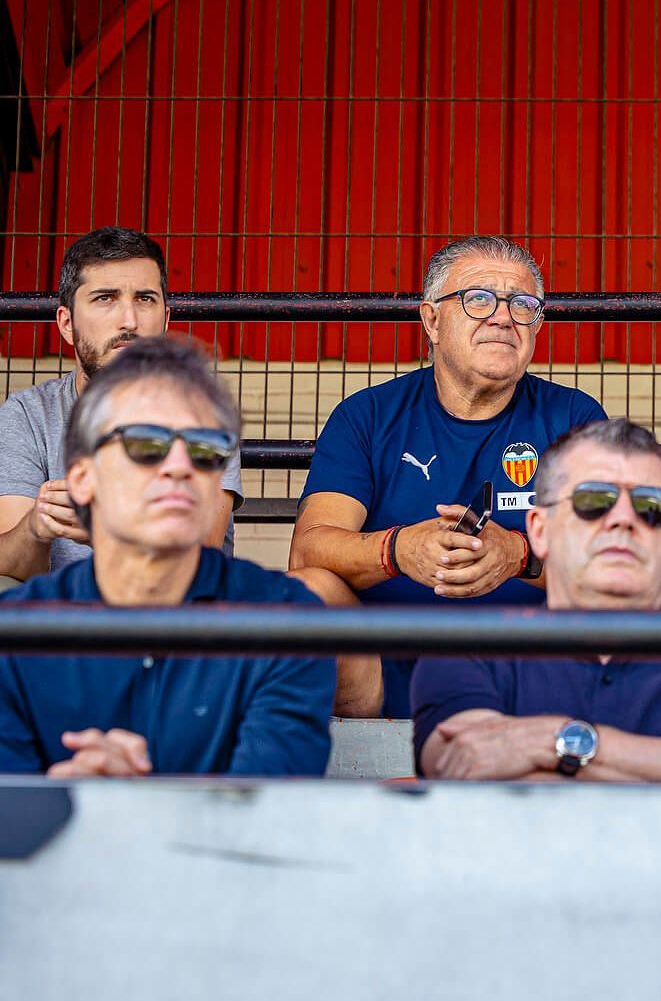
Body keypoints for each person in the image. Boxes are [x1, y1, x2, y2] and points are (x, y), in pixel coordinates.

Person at [291, 236, 607, 717]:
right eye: (479, 298)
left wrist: (519, 555)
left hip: (530, 673)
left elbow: (608, 565)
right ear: (432, 320)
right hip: (383, 670)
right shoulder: (368, 415)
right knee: (308, 591)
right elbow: (309, 548)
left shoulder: (575, 418)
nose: (503, 317)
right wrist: (399, 550)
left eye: (523, 305)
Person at [0, 337, 333, 776]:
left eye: (204, 447)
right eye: (146, 442)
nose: (180, 465)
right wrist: (65, 803)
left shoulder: (290, 622)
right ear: (81, 478)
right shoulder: (12, 637)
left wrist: (116, 804)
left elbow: (267, 821)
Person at [412, 419, 661, 783]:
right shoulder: (466, 645)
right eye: (594, 500)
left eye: (652, 508)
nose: (623, 519)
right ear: (540, 531)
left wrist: (562, 741)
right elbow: (464, 765)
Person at [0, 227, 242, 582]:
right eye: (105, 298)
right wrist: (37, 527)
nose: (129, 321)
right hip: (56, 621)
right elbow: (12, 569)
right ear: (67, 324)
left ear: (166, 319)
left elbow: (198, 557)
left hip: (165, 621)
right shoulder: (28, 414)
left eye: (145, 299)